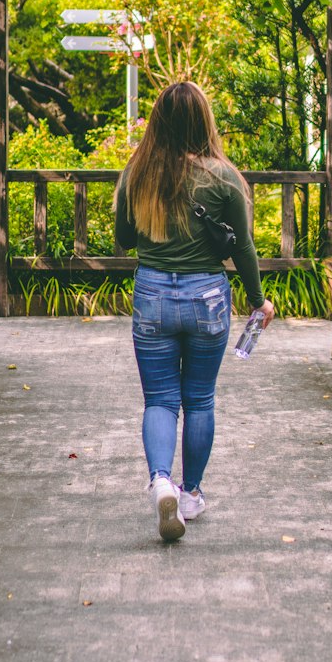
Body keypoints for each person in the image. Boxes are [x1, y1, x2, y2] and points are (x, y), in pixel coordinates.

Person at [114, 81, 274, 542]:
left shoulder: (137, 173)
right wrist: (256, 299)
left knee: (160, 400)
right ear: (203, 120)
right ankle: (190, 494)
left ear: (159, 121)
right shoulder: (222, 177)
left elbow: (125, 240)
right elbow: (242, 247)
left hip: (153, 295)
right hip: (208, 297)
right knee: (199, 399)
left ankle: (160, 480)